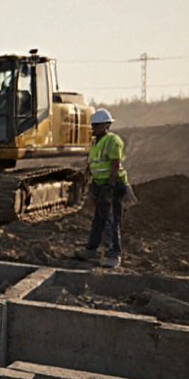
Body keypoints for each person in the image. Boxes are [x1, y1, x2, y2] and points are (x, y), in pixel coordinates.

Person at [76, 109, 129, 268]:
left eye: (98, 125)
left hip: (112, 185)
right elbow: (92, 162)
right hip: (100, 185)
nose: (95, 128)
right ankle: (91, 249)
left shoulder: (112, 140)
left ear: (107, 125)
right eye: (94, 125)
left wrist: (110, 186)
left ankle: (114, 254)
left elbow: (114, 165)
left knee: (111, 221)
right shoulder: (94, 142)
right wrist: (85, 178)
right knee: (98, 219)